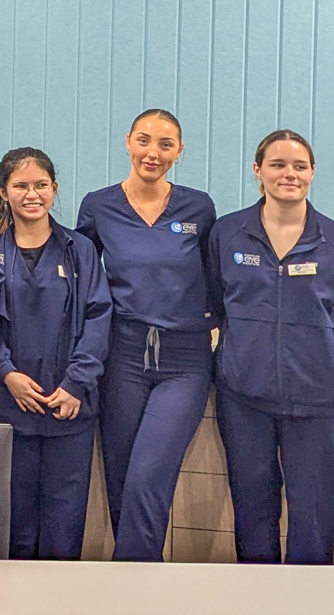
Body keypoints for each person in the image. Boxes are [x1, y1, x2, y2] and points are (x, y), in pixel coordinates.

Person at [209, 130, 334, 565]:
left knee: (313, 516)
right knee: (252, 510)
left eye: (299, 166)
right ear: (257, 171)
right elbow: (214, 302)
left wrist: (326, 365)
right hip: (244, 398)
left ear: (312, 173)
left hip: (317, 401)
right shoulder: (228, 234)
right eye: (277, 164)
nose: (289, 174)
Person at [75, 108, 218, 561]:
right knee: (119, 476)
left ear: (179, 151)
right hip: (122, 355)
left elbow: (215, 276)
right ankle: (138, 580)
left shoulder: (199, 207)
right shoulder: (98, 206)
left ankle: (133, 579)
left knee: (148, 475)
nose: (152, 153)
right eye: (144, 140)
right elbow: (79, 280)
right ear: (127, 142)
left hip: (184, 360)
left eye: (165, 144)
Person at [0, 147, 110, 560]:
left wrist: (76, 383)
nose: (31, 194)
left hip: (68, 409)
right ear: (4, 191)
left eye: (40, 185)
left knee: (63, 530)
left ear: (54, 190)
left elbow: (99, 316)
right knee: (14, 527)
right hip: (7, 408)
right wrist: (5, 372)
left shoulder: (80, 250)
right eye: (20, 185)